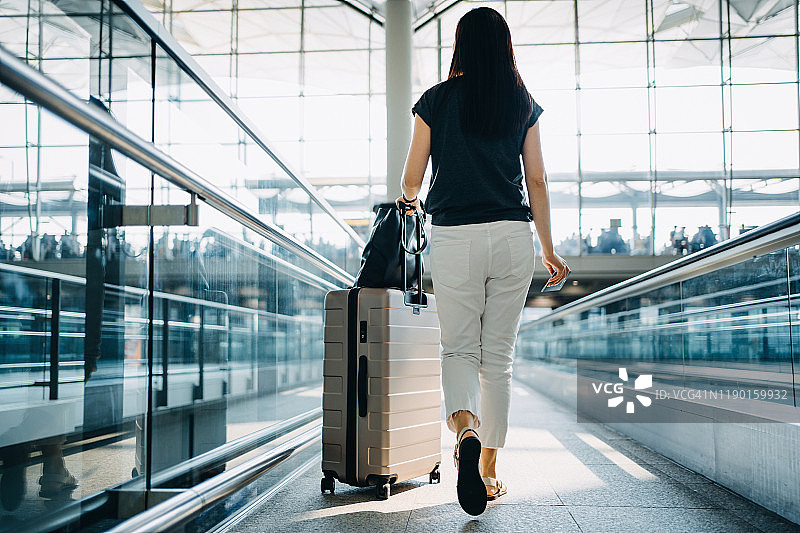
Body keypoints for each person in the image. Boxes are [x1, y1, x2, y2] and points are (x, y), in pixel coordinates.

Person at [396, 7, 569, 516]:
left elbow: (411, 177)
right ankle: (489, 471)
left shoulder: (436, 100)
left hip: (453, 236)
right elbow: (536, 181)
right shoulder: (521, 101)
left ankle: (465, 430)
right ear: (505, 46)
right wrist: (549, 247)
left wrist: (411, 201)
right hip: (512, 236)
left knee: (458, 352)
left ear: (460, 45)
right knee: (499, 360)